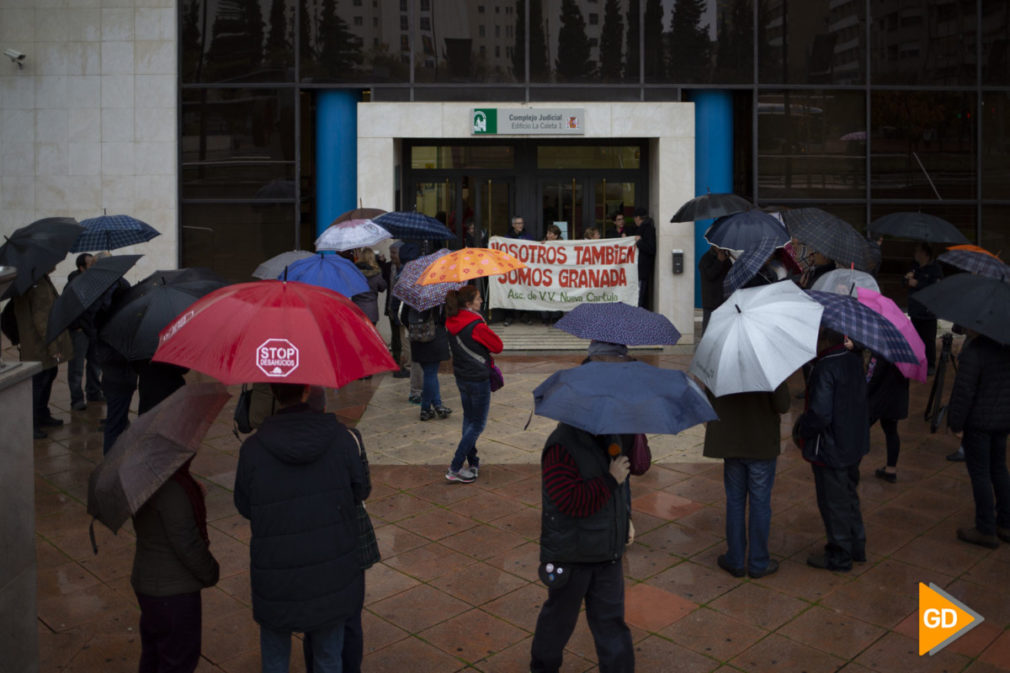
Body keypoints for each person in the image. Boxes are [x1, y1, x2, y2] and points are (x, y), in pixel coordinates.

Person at [234, 382, 369, 673]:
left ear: (272, 392)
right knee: (328, 657)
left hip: (275, 572)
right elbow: (359, 492)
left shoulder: (253, 449)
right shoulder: (343, 440)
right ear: (308, 391)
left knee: (274, 658)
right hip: (331, 570)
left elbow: (245, 506)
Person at [530, 422, 634, 673]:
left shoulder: (610, 434)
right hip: (572, 555)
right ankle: (543, 667)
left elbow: (634, 474)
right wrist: (611, 479)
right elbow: (569, 501)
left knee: (612, 624)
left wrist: (625, 519)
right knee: (558, 622)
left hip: (608, 552)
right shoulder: (560, 445)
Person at [131, 459, 219, 673]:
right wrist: (211, 571)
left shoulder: (143, 480)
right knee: (178, 660)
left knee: (153, 656)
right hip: (174, 594)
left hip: (148, 585)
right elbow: (187, 543)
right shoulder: (173, 489)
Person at [794, 328, 869, 571]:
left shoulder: (826, 366)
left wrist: (801, 430)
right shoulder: (853, 360)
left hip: (831, 446)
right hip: (852, 441)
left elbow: (820, 413)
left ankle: (839, 555)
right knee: (849, 495)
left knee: (833, 502)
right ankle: (857, 545)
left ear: (824, 340)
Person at [704, 381, 791, 579]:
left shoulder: (721, 363)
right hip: (761, 442)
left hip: (730, 440)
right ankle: (758, 561)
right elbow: (783, 405)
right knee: (760, 503)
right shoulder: (769, 365)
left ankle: (735, 559)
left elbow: (709, 399)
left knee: (735, 502)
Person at [946, 330, 1010, 548]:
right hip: (1002, 420)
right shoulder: (1005, 346)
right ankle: (1006, 522)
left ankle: (985, 527)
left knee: (981, 473)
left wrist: (956, 423)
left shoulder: (975, 351)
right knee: (999, 469)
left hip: (979, 423)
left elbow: (964, 390)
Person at [445, 286, 503, 483]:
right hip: (478, 378)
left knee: (469, 420)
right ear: (469, 304)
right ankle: (455, 467)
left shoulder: (451, 320)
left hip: (462, 376)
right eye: (478, 299)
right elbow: (498, 346)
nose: (481, 301)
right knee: (478, 424)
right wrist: (484, 325)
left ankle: (473, 461)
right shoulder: (476, 324)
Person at [12, 270, 74, 438]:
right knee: (38, 383)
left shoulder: (33, 281)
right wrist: (53, 348)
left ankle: (42, 414)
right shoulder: (38, 285)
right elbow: (42, 320)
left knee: (48, 375)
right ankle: (32, 423)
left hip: (36, 343)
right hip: (40, 345)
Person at [403, 302, 453, 422]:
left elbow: (403, 317)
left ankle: (437, 405)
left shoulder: (412, 296)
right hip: (433, 339)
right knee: (430, 374)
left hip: (417, 339)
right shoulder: (438, 298)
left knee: (429, 373)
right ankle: (425, 409)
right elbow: (444, 319)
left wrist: (416, 328)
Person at [66, 253, 103, 411]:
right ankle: (76, 399)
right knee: (77, 368)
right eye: (90, 264)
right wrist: (76, 327)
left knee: (95, 364)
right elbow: (67, 309)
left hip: (93, 328)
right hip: (80, 331)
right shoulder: (73, 284)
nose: (94, 267)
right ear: (81, 268)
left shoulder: (94, 282)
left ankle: (94, 392)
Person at [867, 355, 908, 483]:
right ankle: (891, 469)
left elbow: (873, 375)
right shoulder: (903, 350)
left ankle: (851, 470)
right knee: (891, 431)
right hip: (894, 399)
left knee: (860, 431)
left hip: (878, 399)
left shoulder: (881, 349)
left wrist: (863, 390)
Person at [905, 242, 942, 374]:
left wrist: (918, 283)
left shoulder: (935, 269)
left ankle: (930, 365)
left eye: (918, 251)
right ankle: (916, 363)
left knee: (928, 340)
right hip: (915, 310)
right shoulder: (914, 266)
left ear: (925, 254)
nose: (915, 253)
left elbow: (936, 288)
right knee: (915, 338)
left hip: (928, 311)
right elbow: (904, 281)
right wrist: (907, 279)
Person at [503, 216, 534, 326]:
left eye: (521, 223)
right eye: (518, 223)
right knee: (509, 291)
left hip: (523, 269)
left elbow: (534, 249)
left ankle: (524, 315)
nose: (520, 225)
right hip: (511, 269)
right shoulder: (506, 238)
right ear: (513, 225)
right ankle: (509, 316)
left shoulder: (528, 236)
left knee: (524, 291)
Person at [351, 248, 387, 326]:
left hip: (356, 309)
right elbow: (383, 287)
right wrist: (382, 265)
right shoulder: (376, 274)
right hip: (371, 312)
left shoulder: (354, 273)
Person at [698, 246, 731, 332]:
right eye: (718, 246)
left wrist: (728, 259)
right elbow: (710, 275)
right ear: (713, 246)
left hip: (723, 300)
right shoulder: (706, 259)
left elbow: (730, 273)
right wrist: (719, 261)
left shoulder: (725, 258)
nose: (721, 248)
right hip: (711, 302)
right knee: (708, 330)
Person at [632, 207, 657, 310]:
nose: (634, 221)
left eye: (634, 218)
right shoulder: (645, 228)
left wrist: (639, 242)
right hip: (641, 269)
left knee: (640, 298)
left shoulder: (647, 228)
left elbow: (651, 248)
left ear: (638, 217)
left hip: (643, 270)